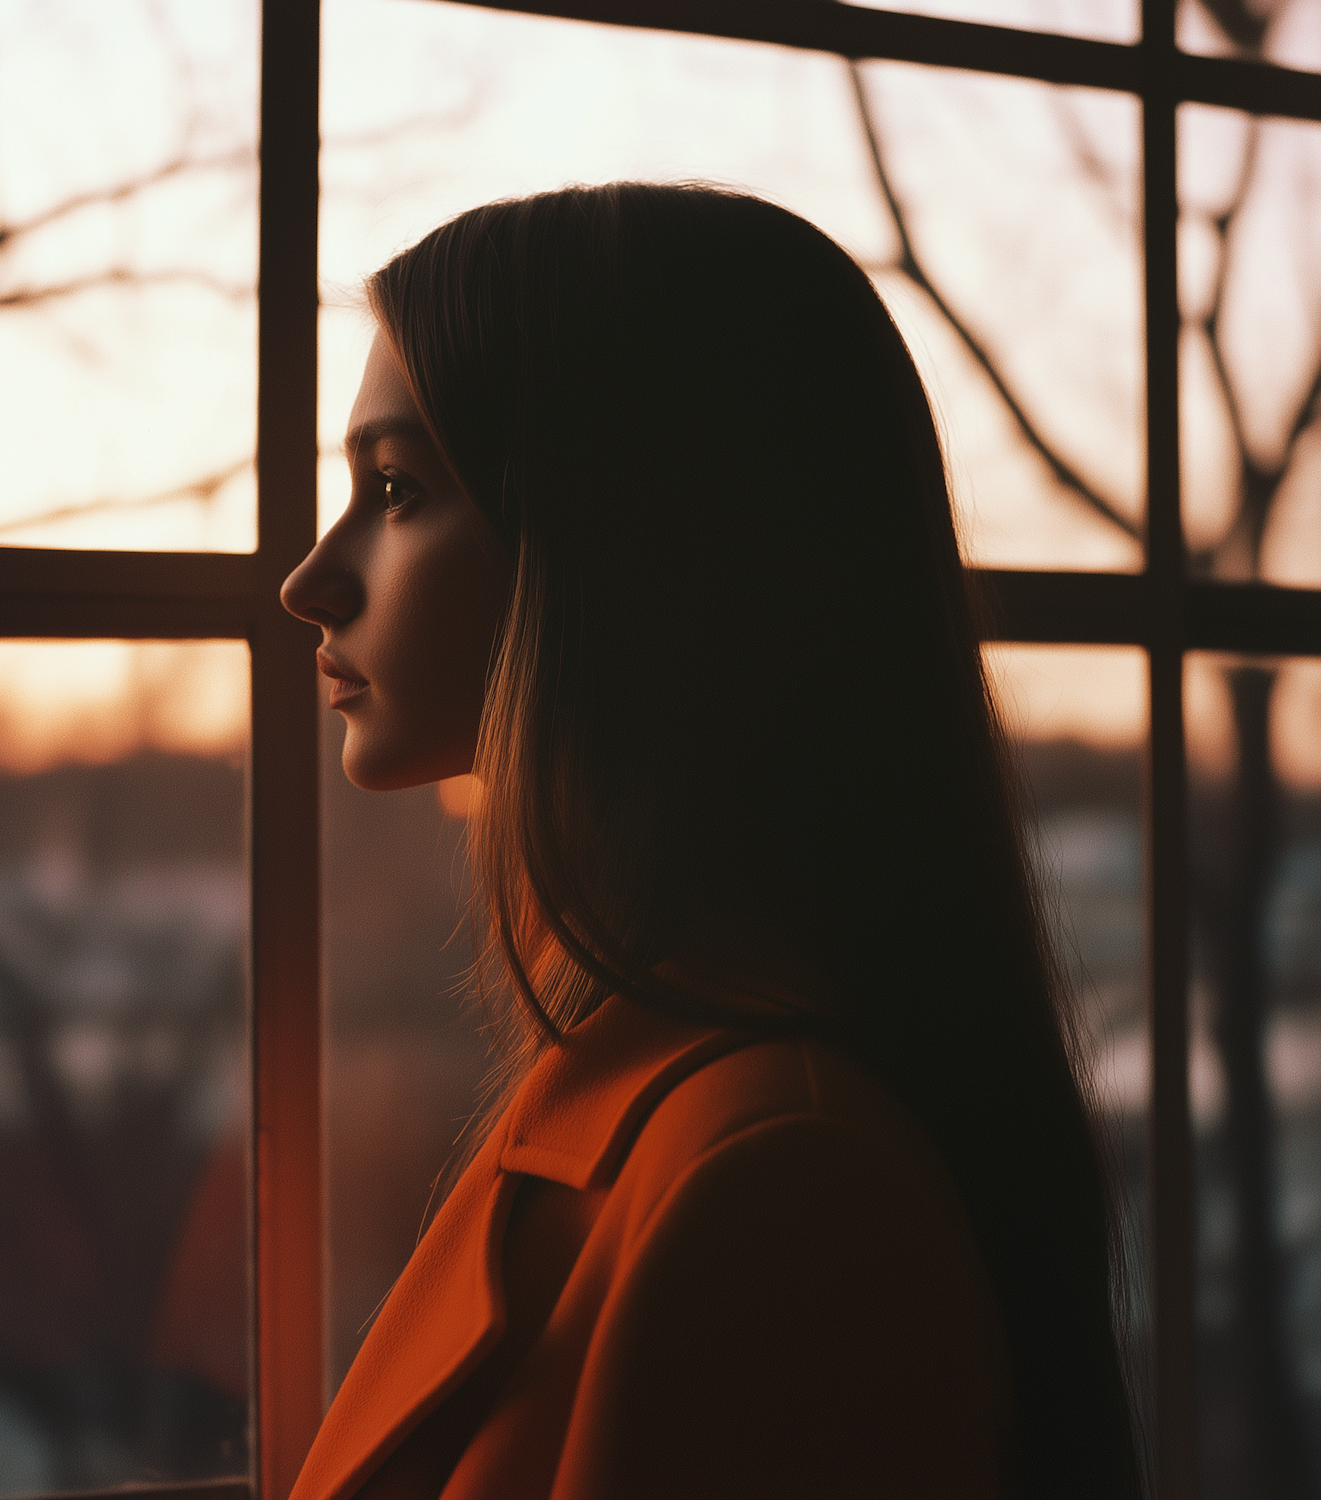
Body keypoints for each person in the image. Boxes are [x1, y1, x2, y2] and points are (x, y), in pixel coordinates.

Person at [281, 183, 1141, 1499]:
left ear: (626, 539)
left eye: (394, 487)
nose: (309, 579)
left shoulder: (780, 1182)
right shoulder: (646, 1096)